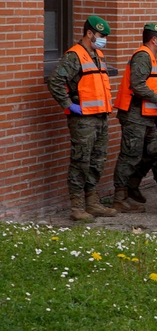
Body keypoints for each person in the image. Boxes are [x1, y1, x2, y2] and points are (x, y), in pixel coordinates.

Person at [46, 16, 118, 221]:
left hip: (101, 117)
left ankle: (92, 202)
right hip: (83, 120)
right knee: (81, 161)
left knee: (97, 161)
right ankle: (77, 207)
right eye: (101, 35)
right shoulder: (74, 56)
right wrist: (68, 105)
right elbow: (55, 81)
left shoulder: (98, 55)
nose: (104, 39)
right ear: (89, 33)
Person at [111, 22, 157, 213]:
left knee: (150, 153)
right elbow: (137, 85)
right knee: (130, 156)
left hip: (146, 116)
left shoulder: (149, 57)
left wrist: (156, 113)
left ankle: (132, 187)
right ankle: (120, 198)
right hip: (135, 116)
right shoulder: (143, 56)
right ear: (154, 40)